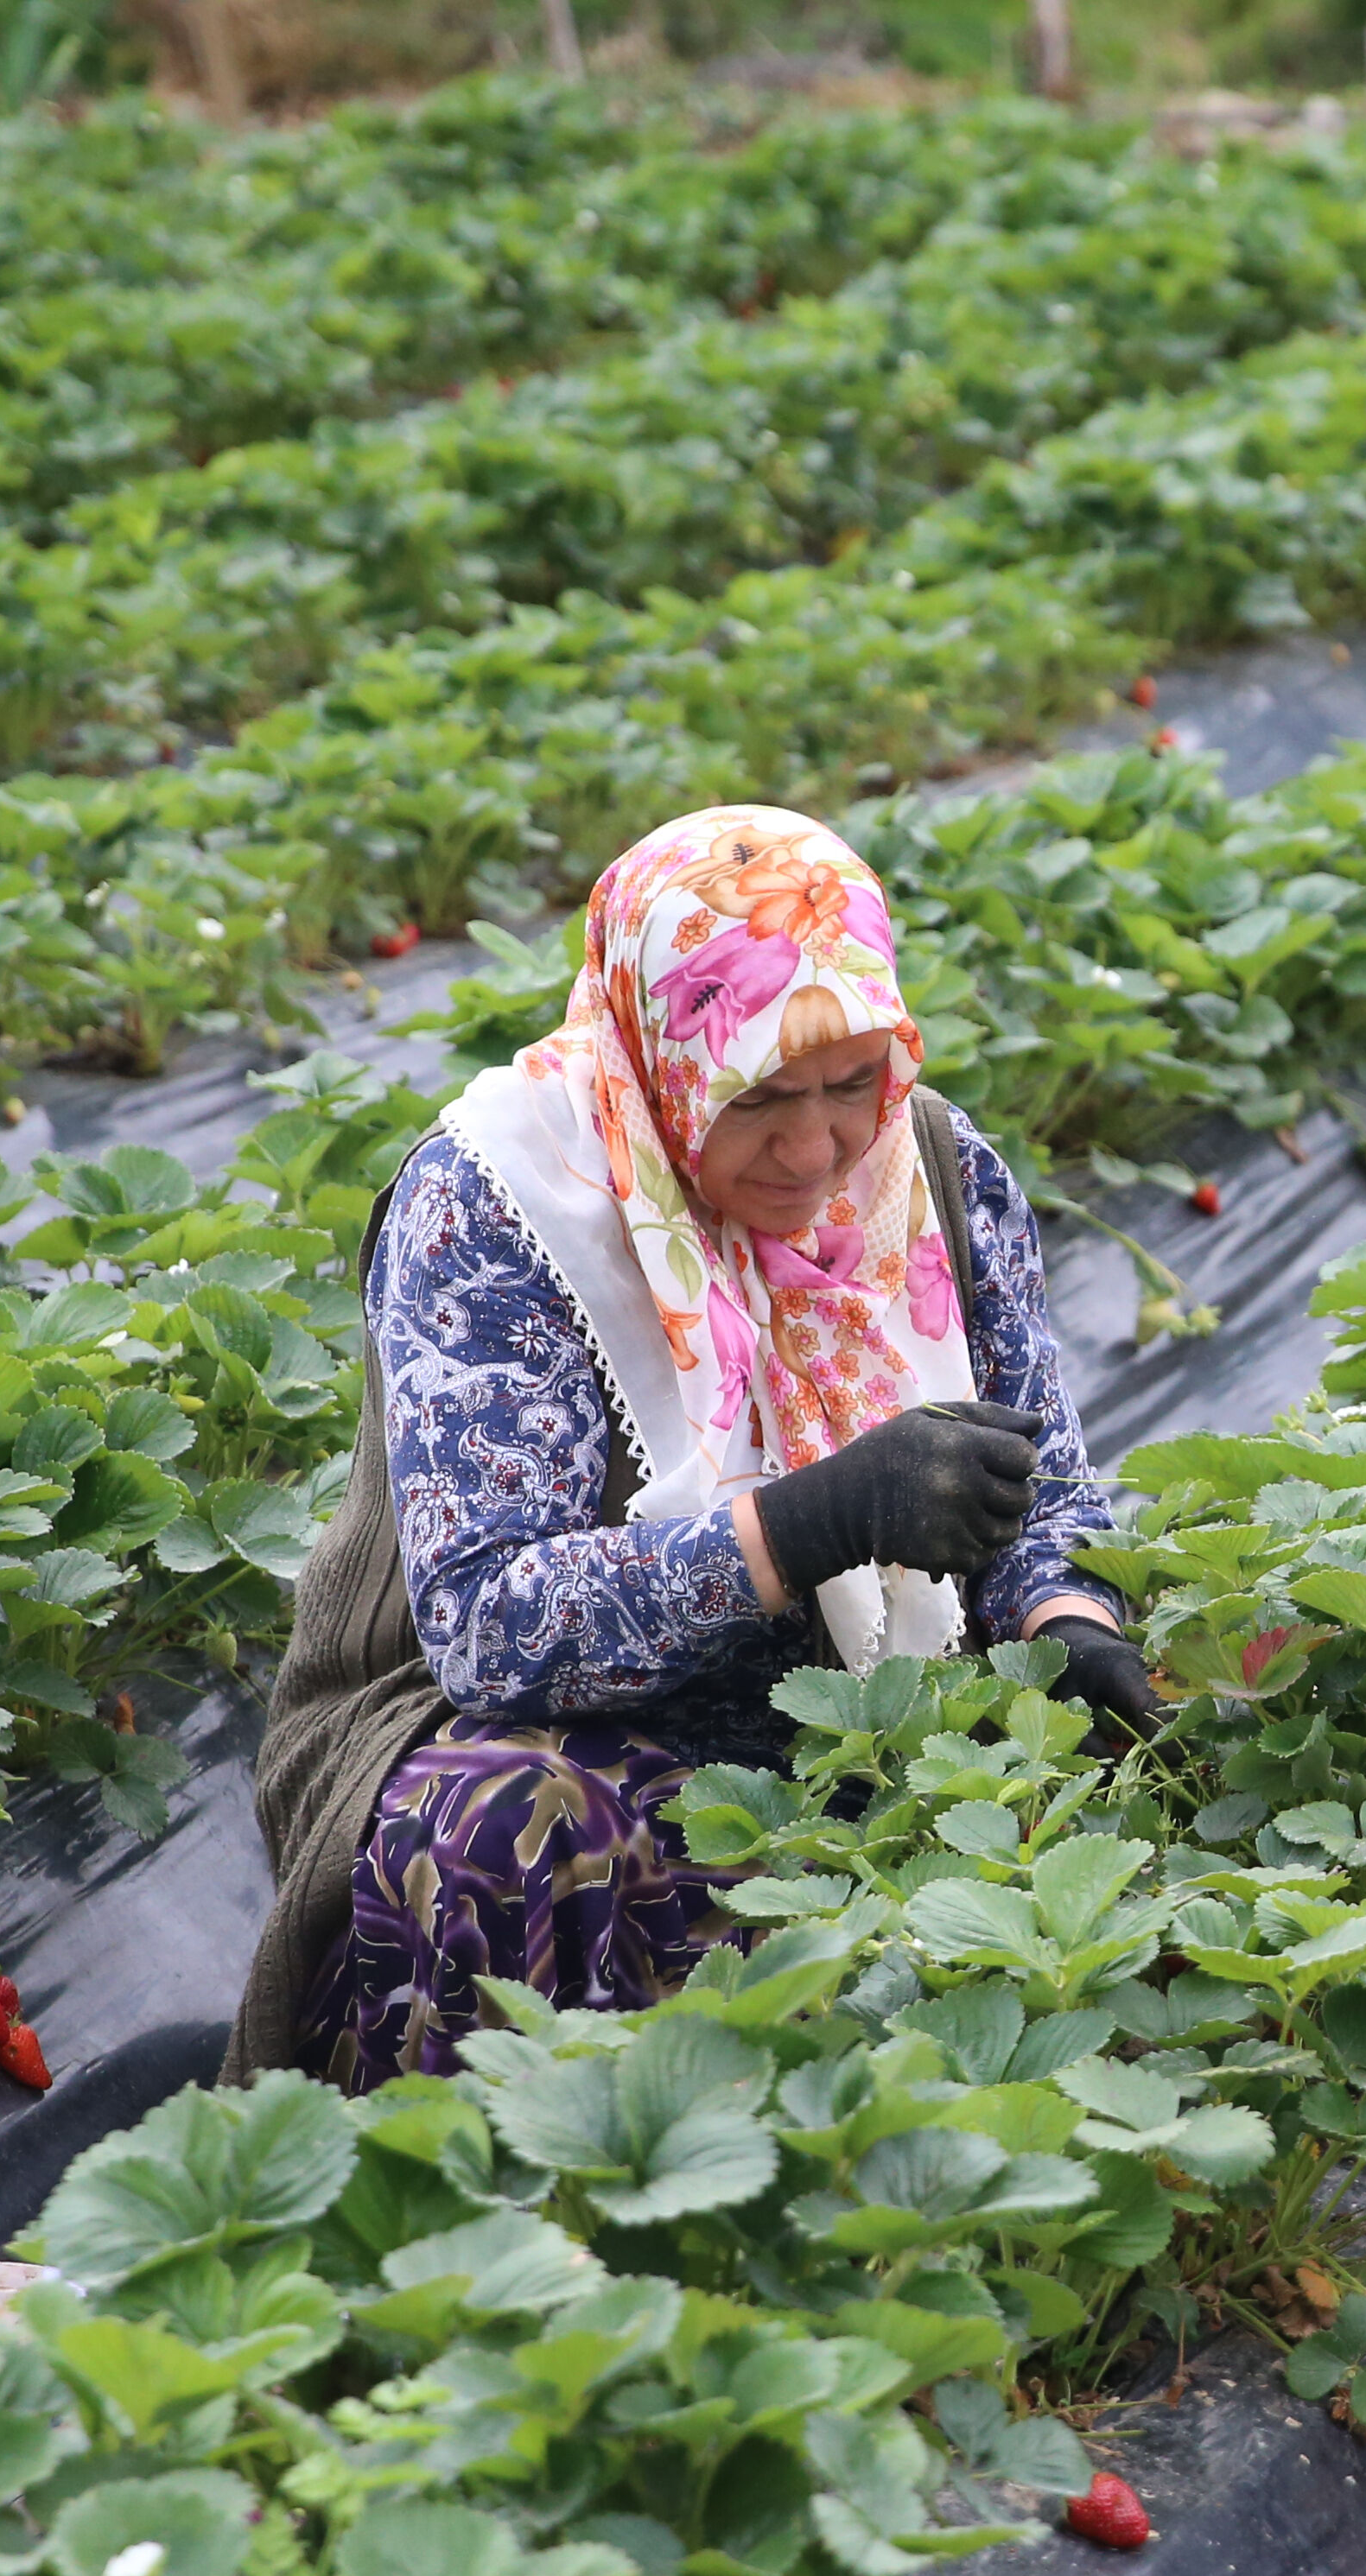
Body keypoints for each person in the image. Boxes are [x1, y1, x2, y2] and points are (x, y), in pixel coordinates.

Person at [231, 803, 1158, 2091]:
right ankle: (484, 2215)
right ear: (661, 1057)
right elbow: (491, 1631)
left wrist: (1064, 1611)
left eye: (851, 1086)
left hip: (869, 1704)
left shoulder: (932, 1167)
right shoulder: (500, 1204)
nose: (818, 1146)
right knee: (508, 1827)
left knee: (1127, 1760)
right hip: (529, 1729)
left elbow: (1039, 1473)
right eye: (759, 1096)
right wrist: (807, 1527)